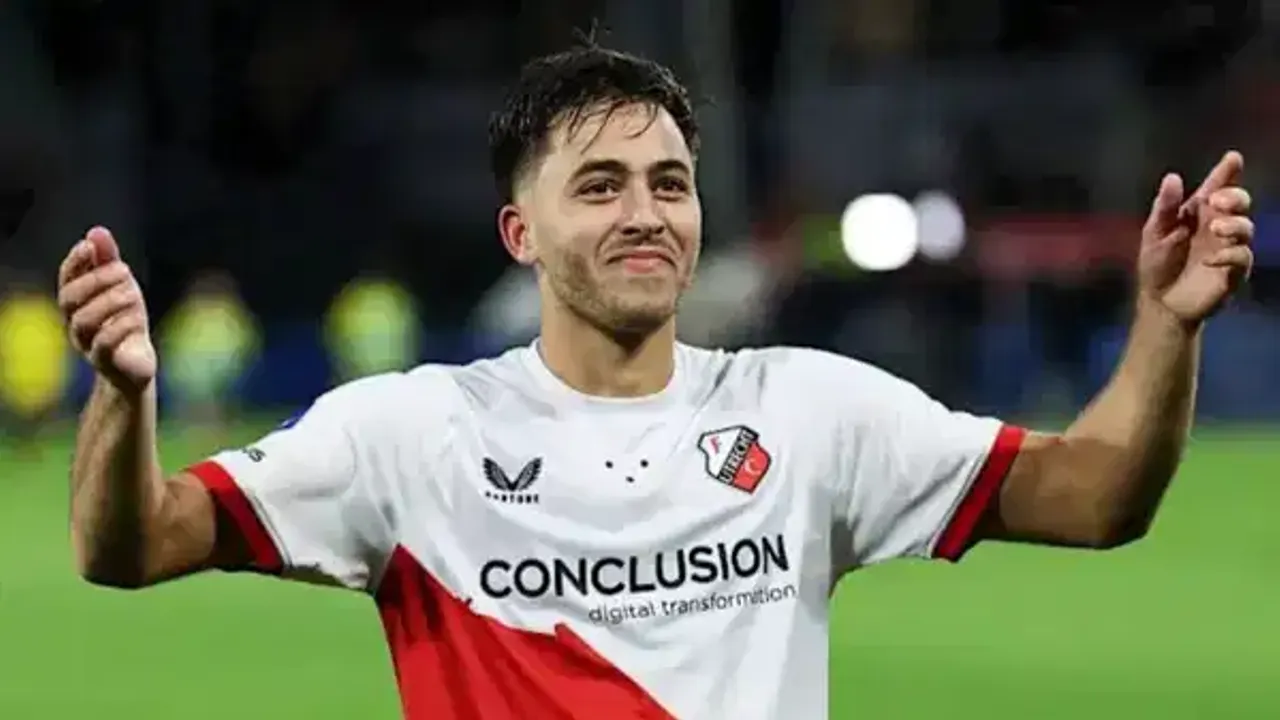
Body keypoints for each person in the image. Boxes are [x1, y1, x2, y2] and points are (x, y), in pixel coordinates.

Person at [59, 44, 1254, 720]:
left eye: (668, 183)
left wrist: (1164, 323)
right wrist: (123, 393)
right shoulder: (410, 436)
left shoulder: (807, 413)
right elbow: (133, 544)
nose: (644, 213)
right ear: (519, 234)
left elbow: (1094, 496)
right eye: (599, 187)